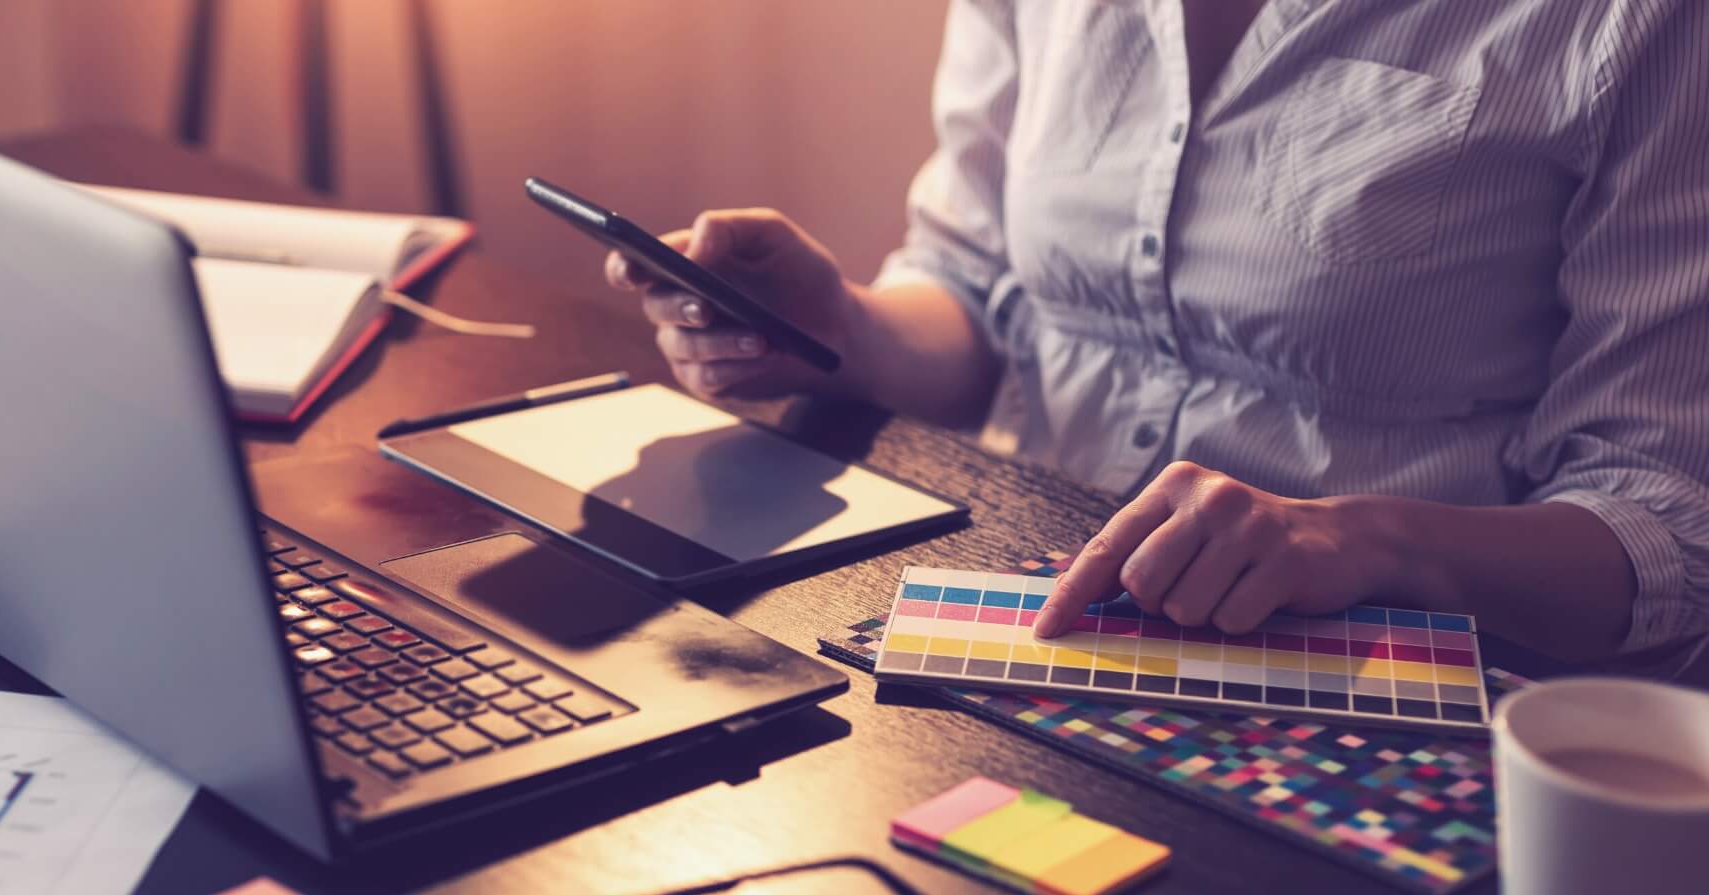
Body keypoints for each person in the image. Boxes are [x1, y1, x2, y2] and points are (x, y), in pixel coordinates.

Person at [608, 0, 1709, 668]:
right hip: (1015, 615)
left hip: (1369, 691)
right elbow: (984, 299)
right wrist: (837, 326)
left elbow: (1665, 540)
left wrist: (1365, 540)